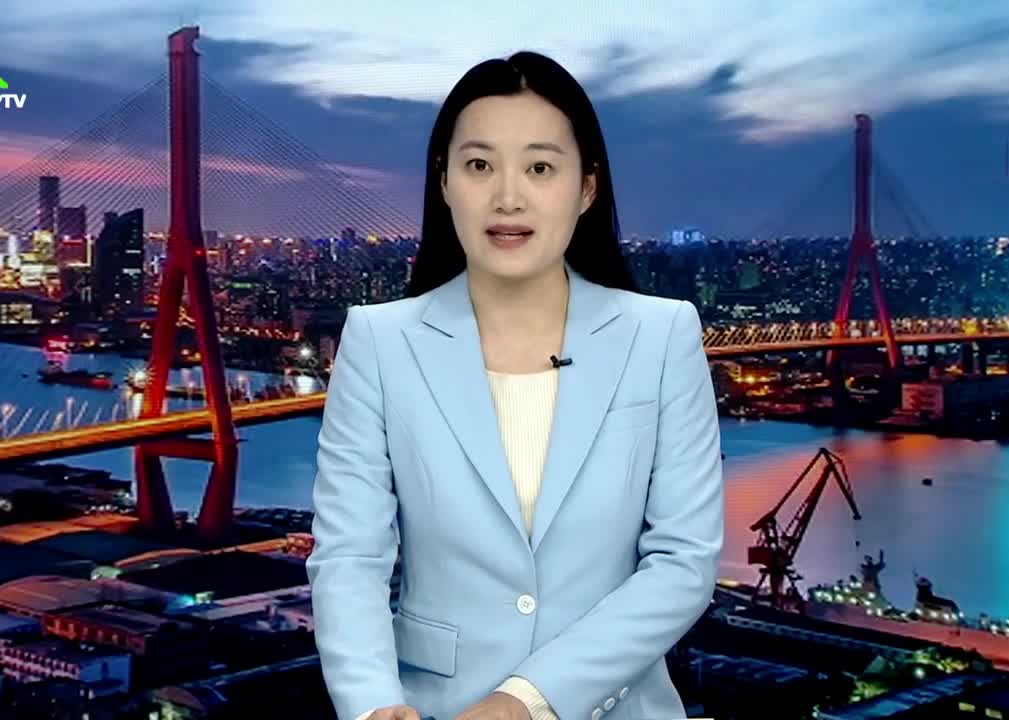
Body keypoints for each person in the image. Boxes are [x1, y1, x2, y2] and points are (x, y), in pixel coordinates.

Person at [307, 50, 724, 720]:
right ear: (444, 181)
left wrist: (524, 702)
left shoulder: (661, 336)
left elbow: (682, 563)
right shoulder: (379, 341)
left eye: (540, 168)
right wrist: (372, 705)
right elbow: (350, 556)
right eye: (479, 166)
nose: (508, 197)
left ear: (586, 188)